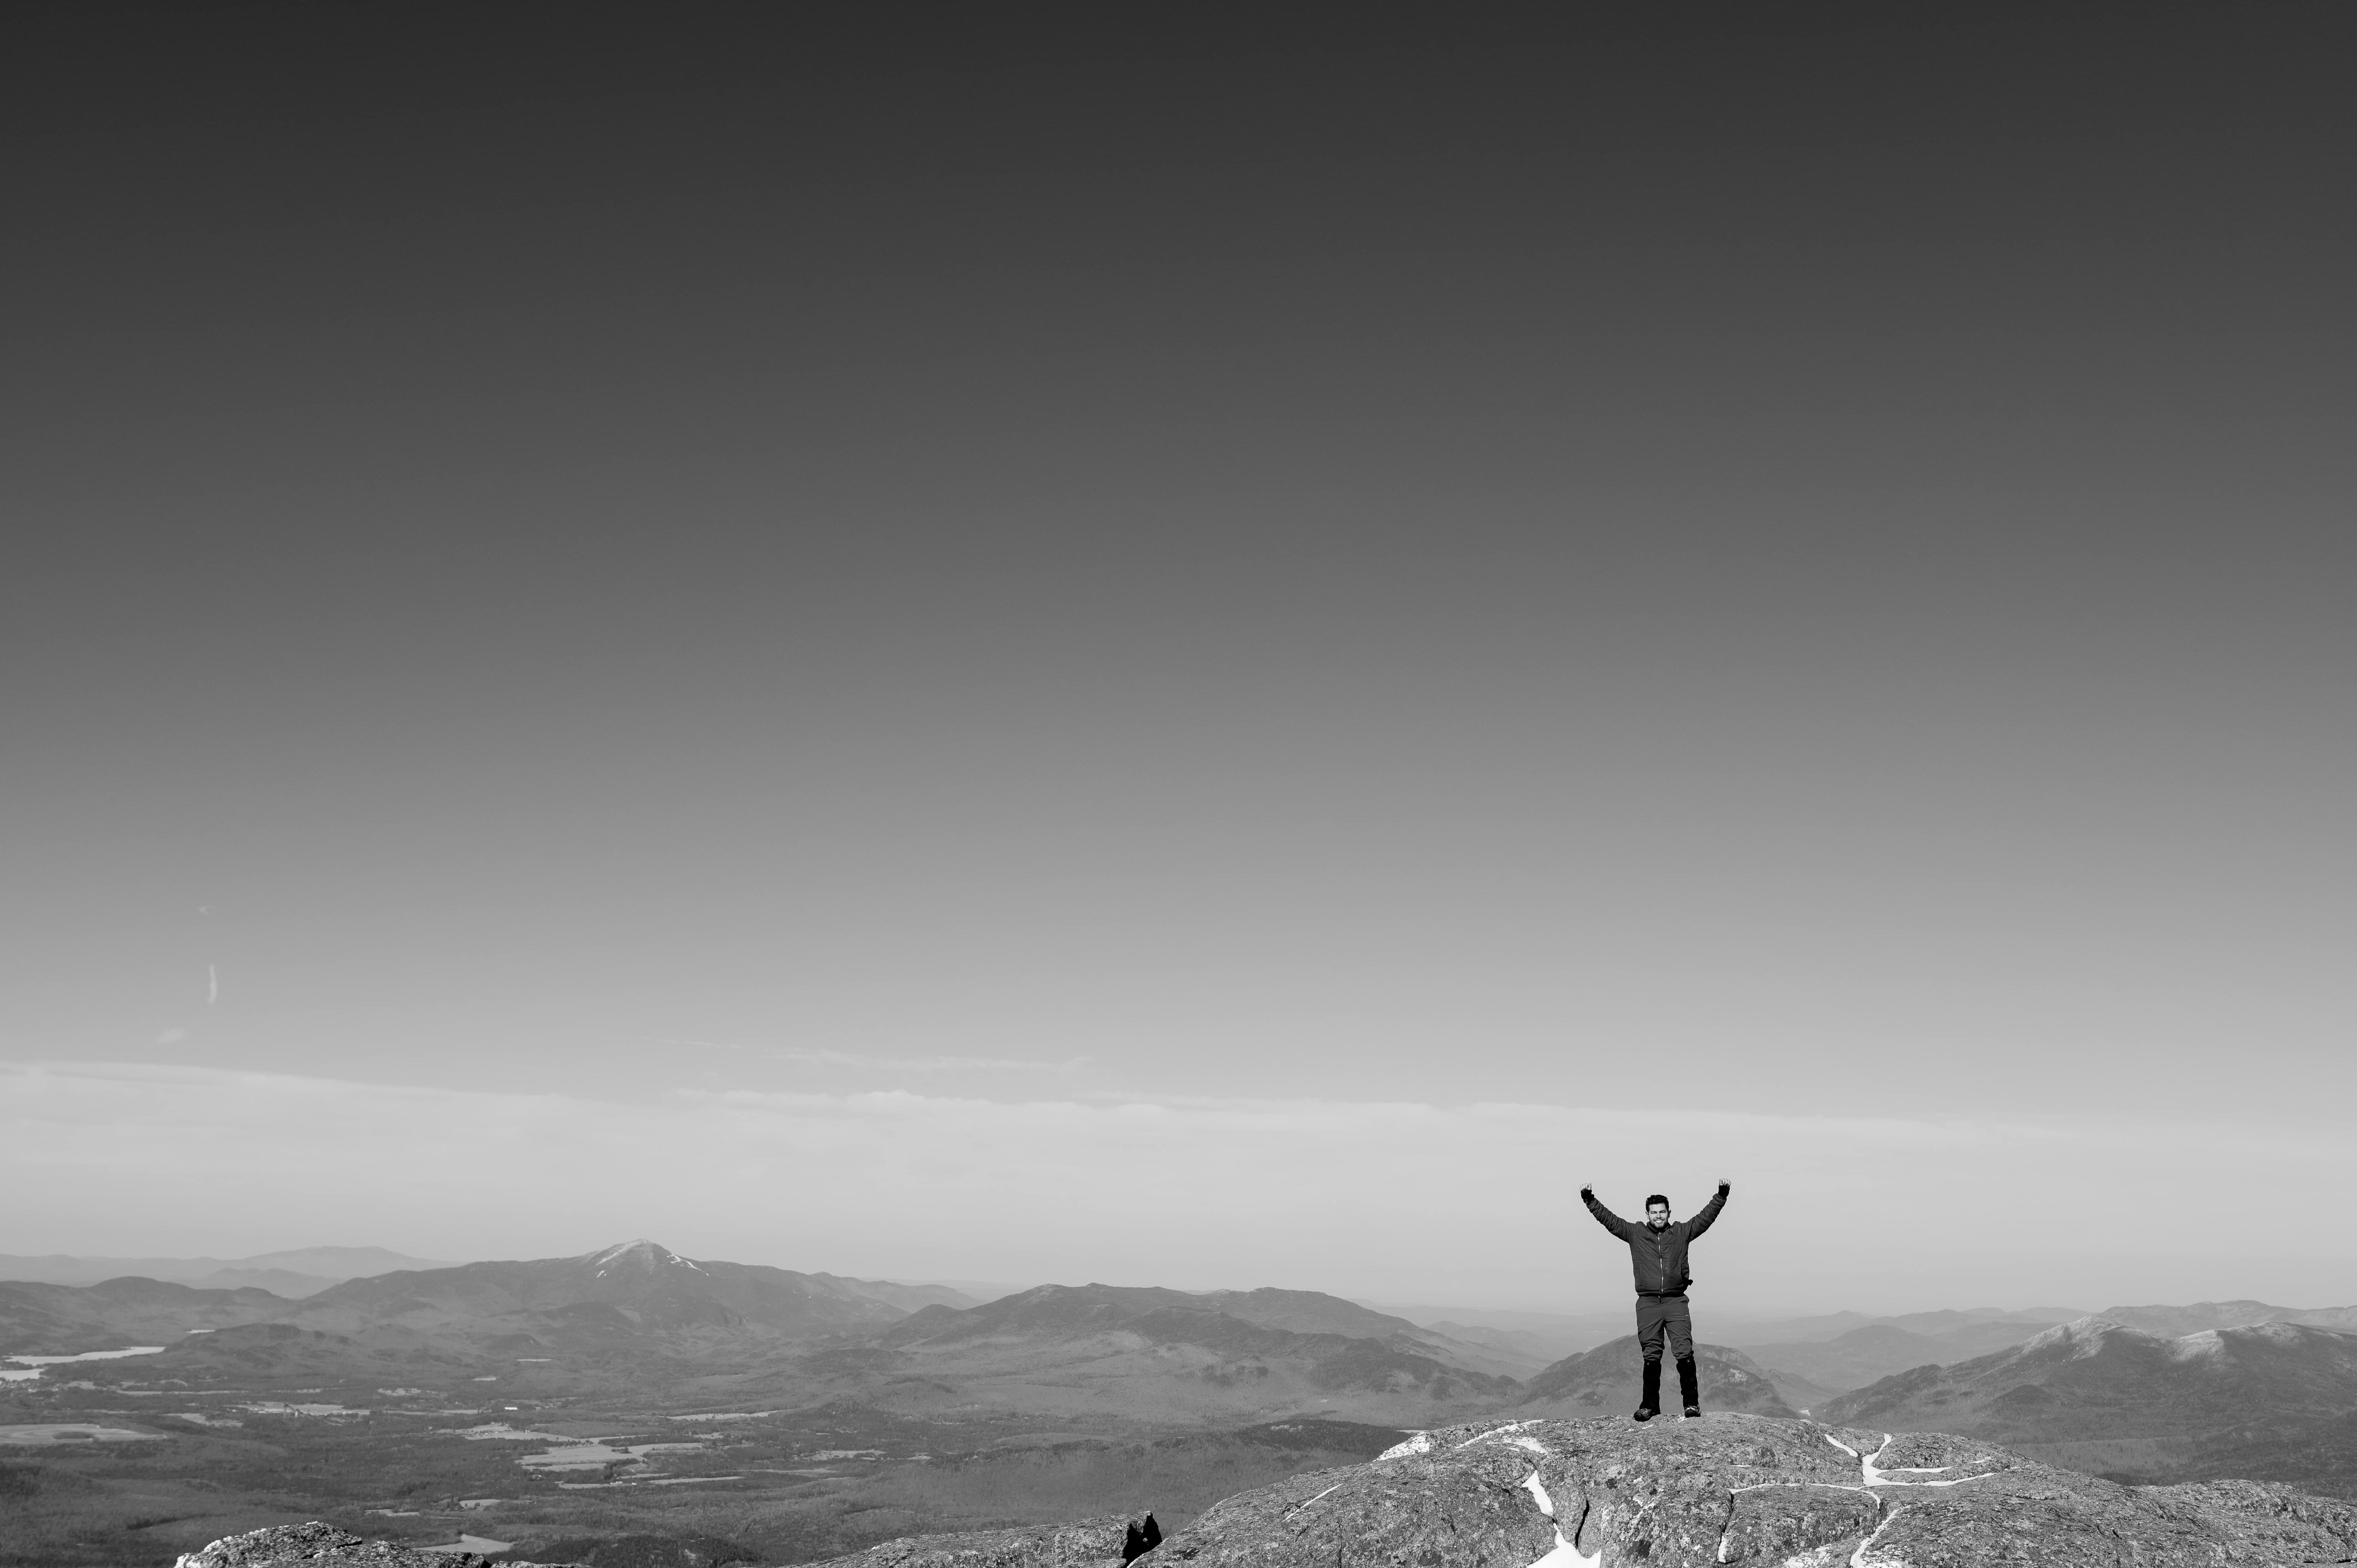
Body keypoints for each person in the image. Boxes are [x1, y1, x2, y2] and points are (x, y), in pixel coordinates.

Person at [1580, 1180, 1730, 1422]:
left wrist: (1721, 1196)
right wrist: (1590, 1200)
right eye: (1654, 1212)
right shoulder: (1635, 1234)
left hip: (1675, 1300)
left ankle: (1691, 1404)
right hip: (1648, 1302)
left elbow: (1705, 1218)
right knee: (1651, 1355)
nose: (1658, 1216)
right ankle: (1650, 1406)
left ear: (1669, 1213)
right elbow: (1610, 1221)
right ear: (1647, 1214)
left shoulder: (1681, 1232)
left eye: (1662, 1212)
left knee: (1684, 1351)